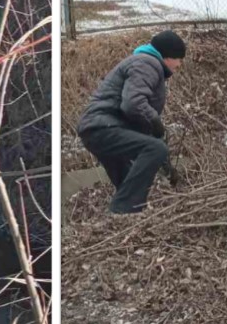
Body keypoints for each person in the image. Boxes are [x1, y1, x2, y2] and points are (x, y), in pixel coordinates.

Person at [77, 30, 186, 214]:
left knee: (128, 183)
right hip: (104, 127)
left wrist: (168, 168)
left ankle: (123, 220)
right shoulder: (148, 63)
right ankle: (120, 214)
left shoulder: (143, 63)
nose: (180, 64)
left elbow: (139, 122)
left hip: (98, 128)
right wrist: (156, 122)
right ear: (168, 55)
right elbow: (133, 104)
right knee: (154, 149)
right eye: (179, 58)